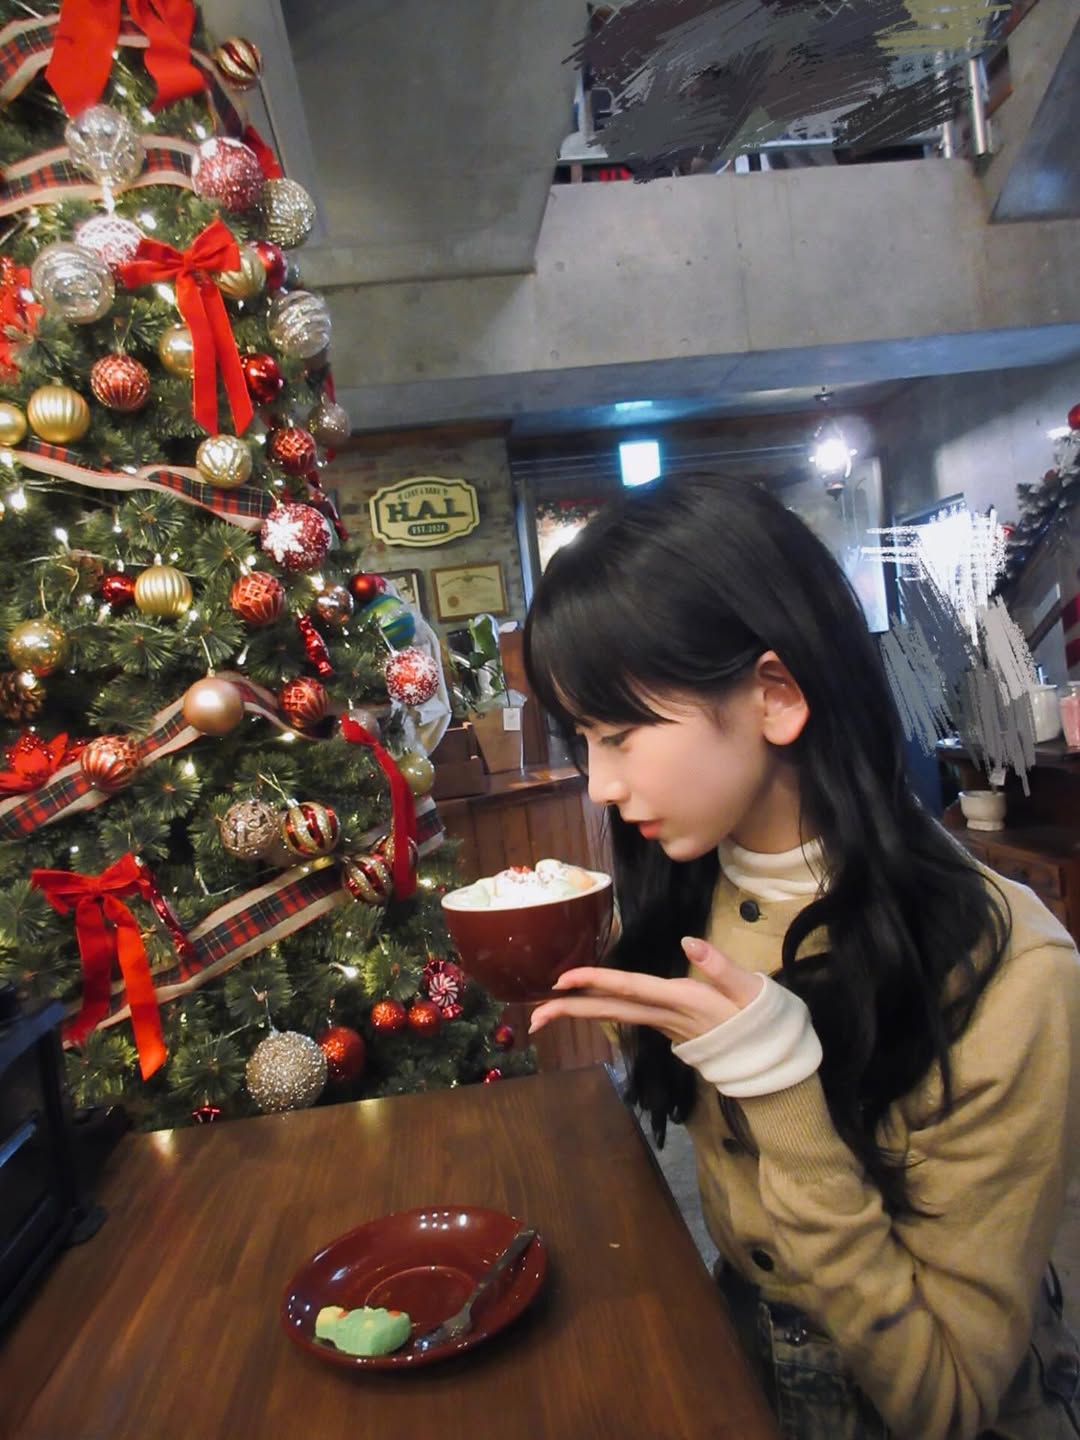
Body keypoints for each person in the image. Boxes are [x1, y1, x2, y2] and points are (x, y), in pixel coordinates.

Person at [523, 474, 1080, 1440]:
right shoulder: (677, 894)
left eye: (621, 733)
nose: (600, 785)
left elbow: (946, 1401)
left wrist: (785, 1092)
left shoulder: (1009, 970)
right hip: (729, 1351)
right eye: (583, 740)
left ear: (774, 697)